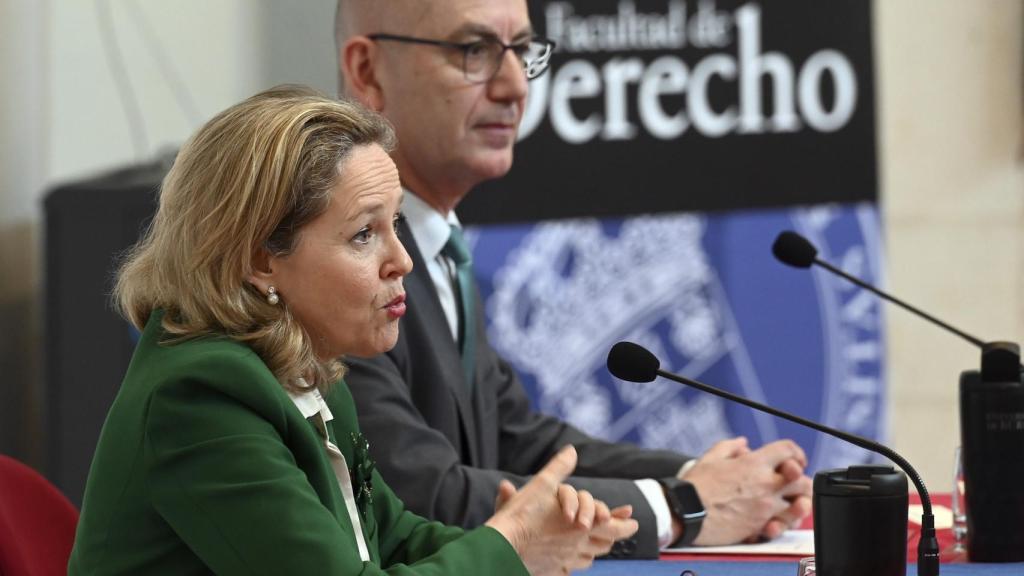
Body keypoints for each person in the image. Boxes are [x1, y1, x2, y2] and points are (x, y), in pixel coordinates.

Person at [67, 86, 638, 575]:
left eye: (395, 225)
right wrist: (508, 546)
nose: (403, 262)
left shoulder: (302, 365)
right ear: (262, 258)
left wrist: (534, 542)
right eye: (365, 234)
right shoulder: (200, 397)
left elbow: (389, 539)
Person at [334, 0, 814, 559]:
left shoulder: (440, 247)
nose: (515, 87)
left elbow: (520, 442)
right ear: (368, 70)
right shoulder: (340, 272)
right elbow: (423, 494)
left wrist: (712, 480)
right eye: (475, 51)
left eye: (521, 52)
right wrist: (680, 507)